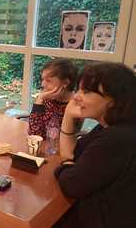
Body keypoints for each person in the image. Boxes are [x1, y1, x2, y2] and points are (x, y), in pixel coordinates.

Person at [54, 62, 136, 228]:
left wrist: (66, 165)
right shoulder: (109, 127)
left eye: (87, 92)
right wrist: (68, 117)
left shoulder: (117, 138)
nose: (76, 97)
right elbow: (73, 153)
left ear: (114, 101)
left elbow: (72, 184)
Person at [29, 58, 78, 140]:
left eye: (48, 81)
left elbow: (56, 137)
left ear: (65, 83)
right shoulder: (46, 98)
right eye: (43, 79)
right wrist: (39, 100)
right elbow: (34, 134)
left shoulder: (76, 104)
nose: (42, 84)